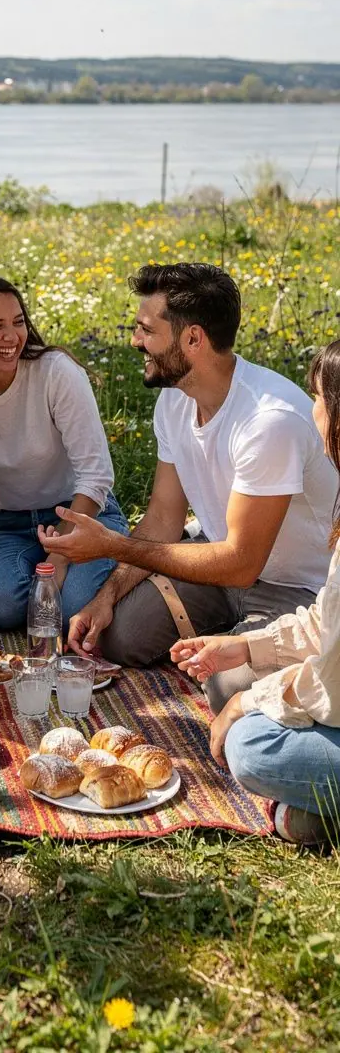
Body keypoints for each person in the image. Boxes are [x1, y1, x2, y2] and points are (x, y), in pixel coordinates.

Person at [39, 263, 337, 711]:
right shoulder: (175, 400)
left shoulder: (268, 421)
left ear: (192, 339)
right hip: (221, 570)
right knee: (123, 637)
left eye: (146, 330)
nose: (136, 341)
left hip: (296, 588)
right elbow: (162, 517)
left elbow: (240, 563)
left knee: (225, 686)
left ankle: (254, 649)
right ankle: (227, 635)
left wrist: (111, 546)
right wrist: (106, 597)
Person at [171, 340, 340, 845]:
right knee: (233, 682)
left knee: (253, 743)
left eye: (318, 397)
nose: (312, 411)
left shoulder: (269, 418)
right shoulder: (173, 405)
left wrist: (251, 700)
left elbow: (333, 682)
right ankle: (316, 812)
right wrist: (245, 647)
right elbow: (326, 625)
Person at [0, 270, 128, 628]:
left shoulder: (56, 373)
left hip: (80, 514)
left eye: (18, 321)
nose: (12, 336)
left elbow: (95, 474)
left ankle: (127, 560)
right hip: (6, 523)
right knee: (1, 609)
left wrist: (59, 557)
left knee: (70, 608)